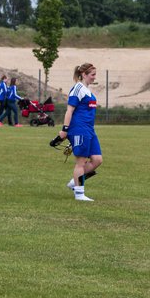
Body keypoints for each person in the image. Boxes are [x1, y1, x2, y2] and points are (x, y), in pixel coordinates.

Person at [60, 62, 102, 202]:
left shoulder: (87, 90)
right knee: (81, 162)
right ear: (83, 74)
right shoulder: (78, 89)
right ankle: (79, 194)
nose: (94, 77)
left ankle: (74, 182)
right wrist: (65, 130)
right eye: (92, 74)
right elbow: (69, 110)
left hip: (89, 130)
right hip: (79, 129)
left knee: (97, 160)